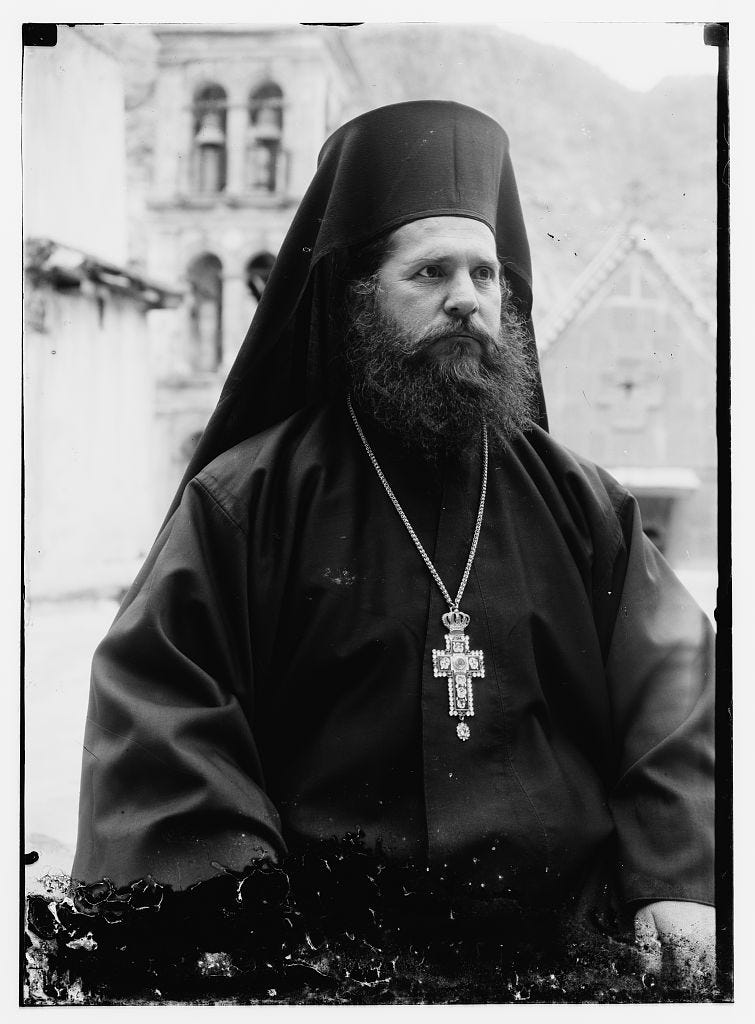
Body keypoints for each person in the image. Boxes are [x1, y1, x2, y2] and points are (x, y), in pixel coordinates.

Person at [72, 101, 715, 982]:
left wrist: (677, 874)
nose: (467, 299)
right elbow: (164, 720)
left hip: (569, 952)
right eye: (430, 273)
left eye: (486, 276)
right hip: (327, 965)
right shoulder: (247, 501)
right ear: (358, 300)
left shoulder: (582, 502)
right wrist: (238, 925)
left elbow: (676, 694)